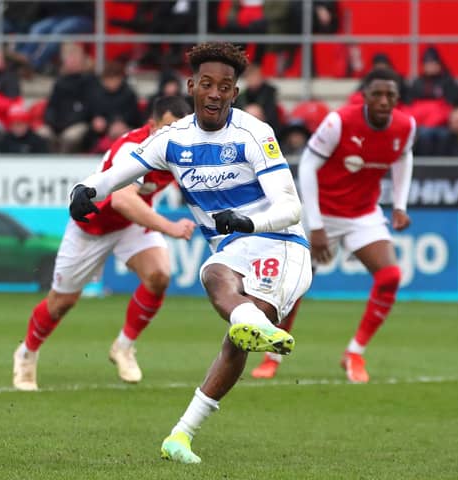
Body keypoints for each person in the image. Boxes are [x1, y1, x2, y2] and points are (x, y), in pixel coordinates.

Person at [68, 42, 312, 464]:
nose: (215, 93)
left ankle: (244, 334)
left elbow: (291, 207)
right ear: (191, 86)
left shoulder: (256, 135)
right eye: (206, 84)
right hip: (232, 246)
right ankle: (178, 439)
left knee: (237, 337)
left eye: (225, 86)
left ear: (235, 93)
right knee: (213, 275)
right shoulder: (173, 138)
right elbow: (121, 171)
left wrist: (248, 222)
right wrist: (88, 189)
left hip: (282, 242)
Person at [12, 96, 196, 391]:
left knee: (159, 275)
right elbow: (123, 199)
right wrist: (170, 227)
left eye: (182, 130)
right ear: (152, 126)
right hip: (93, 226)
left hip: (130, 225)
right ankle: (26, 352)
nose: (174, 136)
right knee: (62, 303)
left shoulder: (182, 152)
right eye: (168, 128)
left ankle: (123, 347)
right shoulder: (132, 149)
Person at [252, 68, 416, 382]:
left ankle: (354, 352)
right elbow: (309, 164)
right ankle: (272, 356)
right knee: (294, 286)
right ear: (365, 96)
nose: (384, 101)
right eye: (377, 94)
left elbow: (403, 157)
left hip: (362, 215)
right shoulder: (339, 122)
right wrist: (315, 226)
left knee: (391, 276)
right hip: (320, 213)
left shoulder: (406, 126)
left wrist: (399, 205)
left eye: (390, 96)